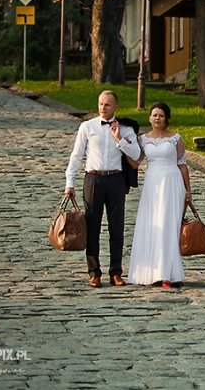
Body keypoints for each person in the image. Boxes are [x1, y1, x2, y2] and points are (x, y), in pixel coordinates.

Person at [64, 90, 141, 288]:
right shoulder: (87, 126)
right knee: (92, 227)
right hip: (93, 179)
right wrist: (69, 183)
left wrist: (119, 138)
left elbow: (136, 154)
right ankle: (94, 272)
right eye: (100, 104)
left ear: (116, 106)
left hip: (115, 179)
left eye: (107, 104)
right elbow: (76, 155)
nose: (102, 108)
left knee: (117, 227)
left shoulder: (125, 128)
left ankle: (116, 272)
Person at [127, 101, 193, 288]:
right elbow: (135, 162)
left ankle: (167, 274)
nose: (157, 118)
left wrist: (188, 191)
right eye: (154, 115)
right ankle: (150, 273)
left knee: (168, 227)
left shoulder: (175, 139)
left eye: (161, 115)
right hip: (152, 184)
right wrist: (121, 144)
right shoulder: (143, 140)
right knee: (152, 225)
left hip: (172, 183)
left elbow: (182, 164)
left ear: (166, 119)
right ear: (149, 118)